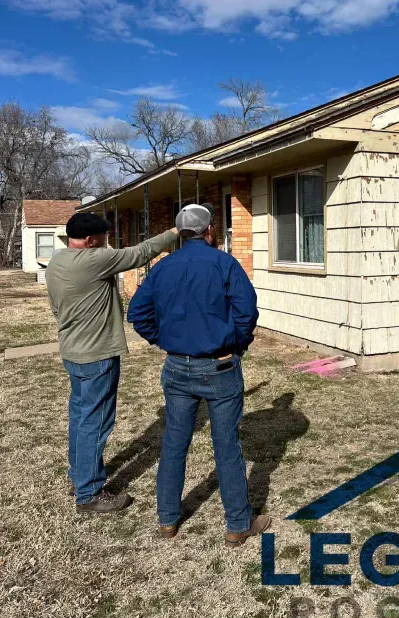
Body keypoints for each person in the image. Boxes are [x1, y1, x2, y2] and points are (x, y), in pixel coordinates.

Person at [127, 203, 271, 544]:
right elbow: (247, 312)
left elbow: (138, 312)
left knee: (174, 442)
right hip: (220, 366)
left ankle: (168, 521)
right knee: (226, 445)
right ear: (209, 231)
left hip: (178, 366)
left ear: (180, 234)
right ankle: (238, 525)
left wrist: (163, 340)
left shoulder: (162, 268)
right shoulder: (224, 263)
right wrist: (237, 343)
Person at [46, 211, 178, 514]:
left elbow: (55, 306)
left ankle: (79, 477)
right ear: (91, 240)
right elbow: (140, 253)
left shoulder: (57, 261)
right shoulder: (94, 259)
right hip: (97, 356)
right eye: (104, 237)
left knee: (80, 417)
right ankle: (90, 493)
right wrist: (174, 231)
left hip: (73, 352)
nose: (107, 242)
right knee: (96, 421)